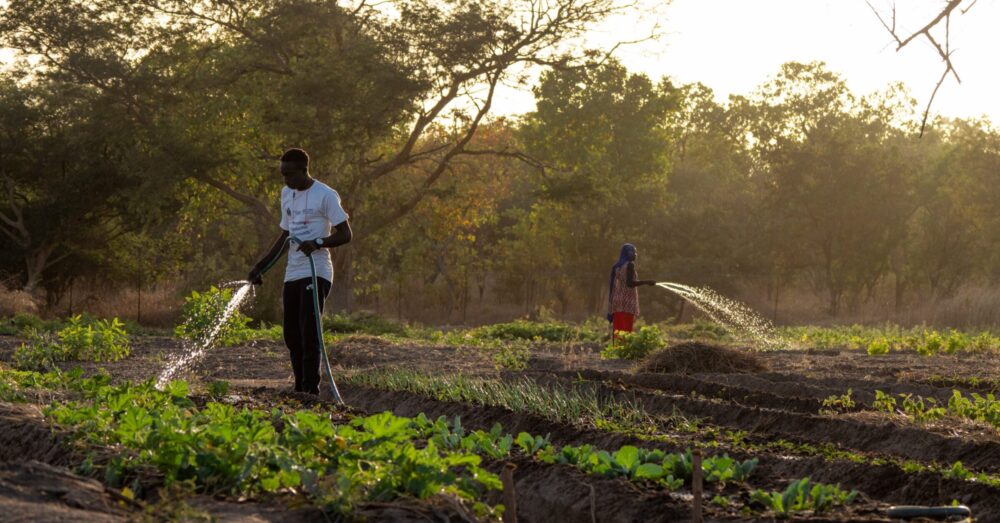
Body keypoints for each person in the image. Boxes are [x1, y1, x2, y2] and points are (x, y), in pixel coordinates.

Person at [248, 148, 352, 395]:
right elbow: (286, 235)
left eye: (290, 174)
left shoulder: (325, 195)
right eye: (283, 175)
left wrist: (318, 242)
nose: (286, 180)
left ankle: (309, 392)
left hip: (317, 271)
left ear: (305, 170)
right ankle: (298, 389)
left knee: (308, 332)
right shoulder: (287, 194)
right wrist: (261, 266)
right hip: (292, 272)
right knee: (291, 336)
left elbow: (346, 234)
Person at [607, 243, 656, 339]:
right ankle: (625, 351)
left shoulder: (617, 267)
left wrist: (610, 305)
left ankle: (618, 351)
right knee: (626, 331)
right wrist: (646, 282)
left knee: (618, 331)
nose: (635, 254)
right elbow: (630, 283)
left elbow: (612, 286)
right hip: (627, 302)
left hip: (617, 303)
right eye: (633, 252)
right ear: (628, 253)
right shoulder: (630, 265)